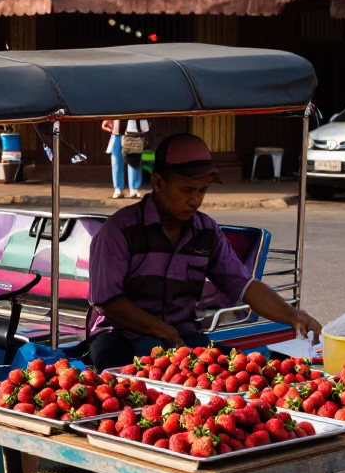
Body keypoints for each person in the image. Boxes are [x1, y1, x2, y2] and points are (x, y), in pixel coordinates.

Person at [87, 133, 322, 370]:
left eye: (202, 190)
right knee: (116, 372)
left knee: (250, 367)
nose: (195, 200)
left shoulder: (207, 231)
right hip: (119, 336)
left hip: (184, 336)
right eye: (187, 190)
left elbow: (244, 286)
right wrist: (164, 333)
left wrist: (292, 315)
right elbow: (108, 302)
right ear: (158, 183)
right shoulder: (119, 230)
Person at [103, 118, 149, 199]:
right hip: (117, 130)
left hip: (132, 130)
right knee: (116, 161)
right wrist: (107, 118)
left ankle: (134, 188)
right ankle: (118, 189)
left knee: (133, 159)